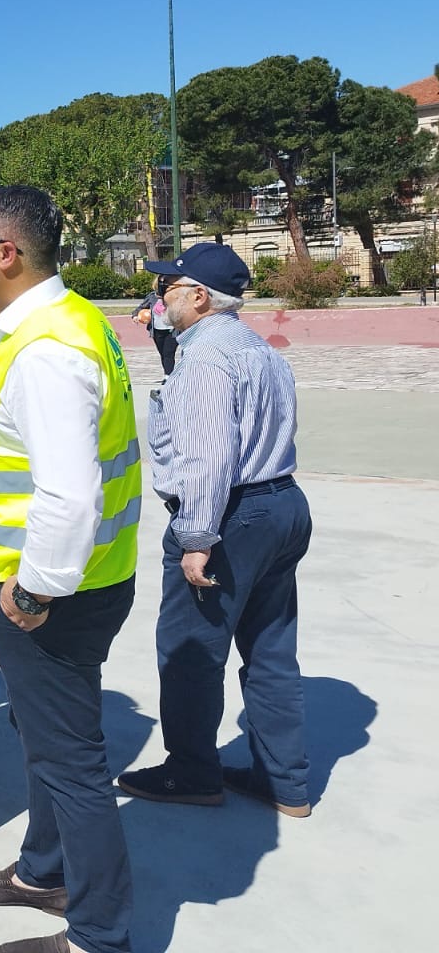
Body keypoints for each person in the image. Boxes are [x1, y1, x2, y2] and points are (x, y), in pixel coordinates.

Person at [0, 186, 140, 953]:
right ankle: (42, 872)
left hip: (54, 593)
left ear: (6, 254)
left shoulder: (46, 351)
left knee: (71, 762)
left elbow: (69, 493)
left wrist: (34, 588)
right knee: (48, 743)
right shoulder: (65, 319)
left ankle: (98, 934)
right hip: (90, 577)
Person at [118, 243, 313, 819]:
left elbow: (206, 458)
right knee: (271, 648)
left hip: (231, 515)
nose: (159, 298)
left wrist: (197, 538)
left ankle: (191, 772)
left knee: (191, 651)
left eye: (167, 289)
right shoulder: (257, 349)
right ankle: (285, 782)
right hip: (282, 503)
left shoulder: (204, 360)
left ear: (199, 296)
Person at [132, 289, 177, 376]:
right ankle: (168, 373)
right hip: (157, 331)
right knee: (163, 354)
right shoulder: (152, 297)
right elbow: (140, 308)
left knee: (168, 353)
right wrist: (135, 315)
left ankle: (169, 376)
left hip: (172, 330)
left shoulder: (174, 295)